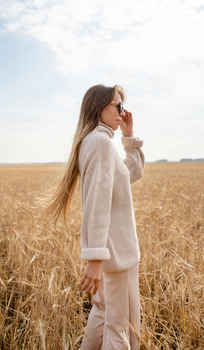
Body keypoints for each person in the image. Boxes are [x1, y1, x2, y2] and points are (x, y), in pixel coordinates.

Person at [43, 84, 145, 349]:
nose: (122, 112)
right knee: (120, 327)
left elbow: (129, 175)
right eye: (117, 105)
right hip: (116, 256)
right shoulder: (100, 143)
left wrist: (128, 136)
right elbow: (97, 204)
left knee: (102, 315)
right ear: (99, 106)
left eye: (123, 106)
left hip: (107, 254)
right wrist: (95, 259)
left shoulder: (96, 141)